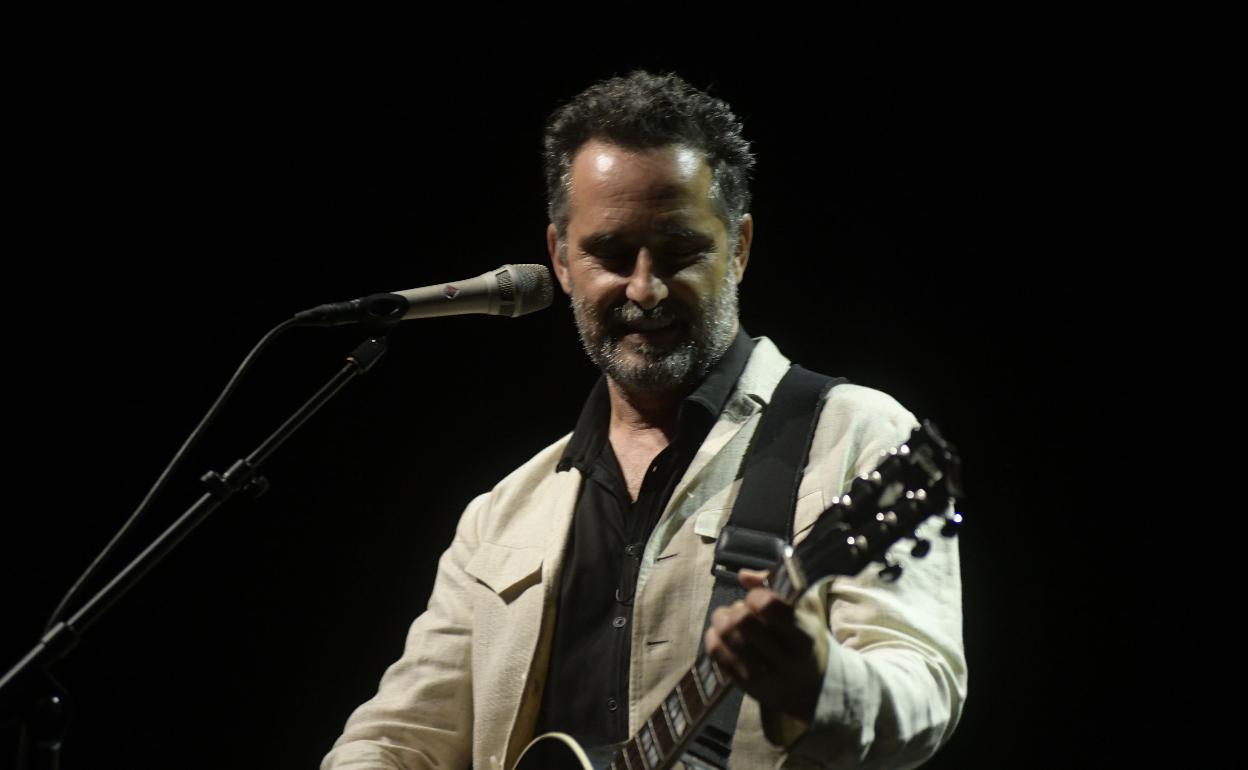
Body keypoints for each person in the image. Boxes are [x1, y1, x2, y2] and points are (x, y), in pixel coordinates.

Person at [322, 71, 966, 770]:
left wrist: (819, 683)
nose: (643, 287)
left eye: (680, 249)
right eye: (608, 252)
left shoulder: (857, 434)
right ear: (561, 259)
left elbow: (924, 687)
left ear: (740, 247)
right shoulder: (502, 513)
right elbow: (396, 740)